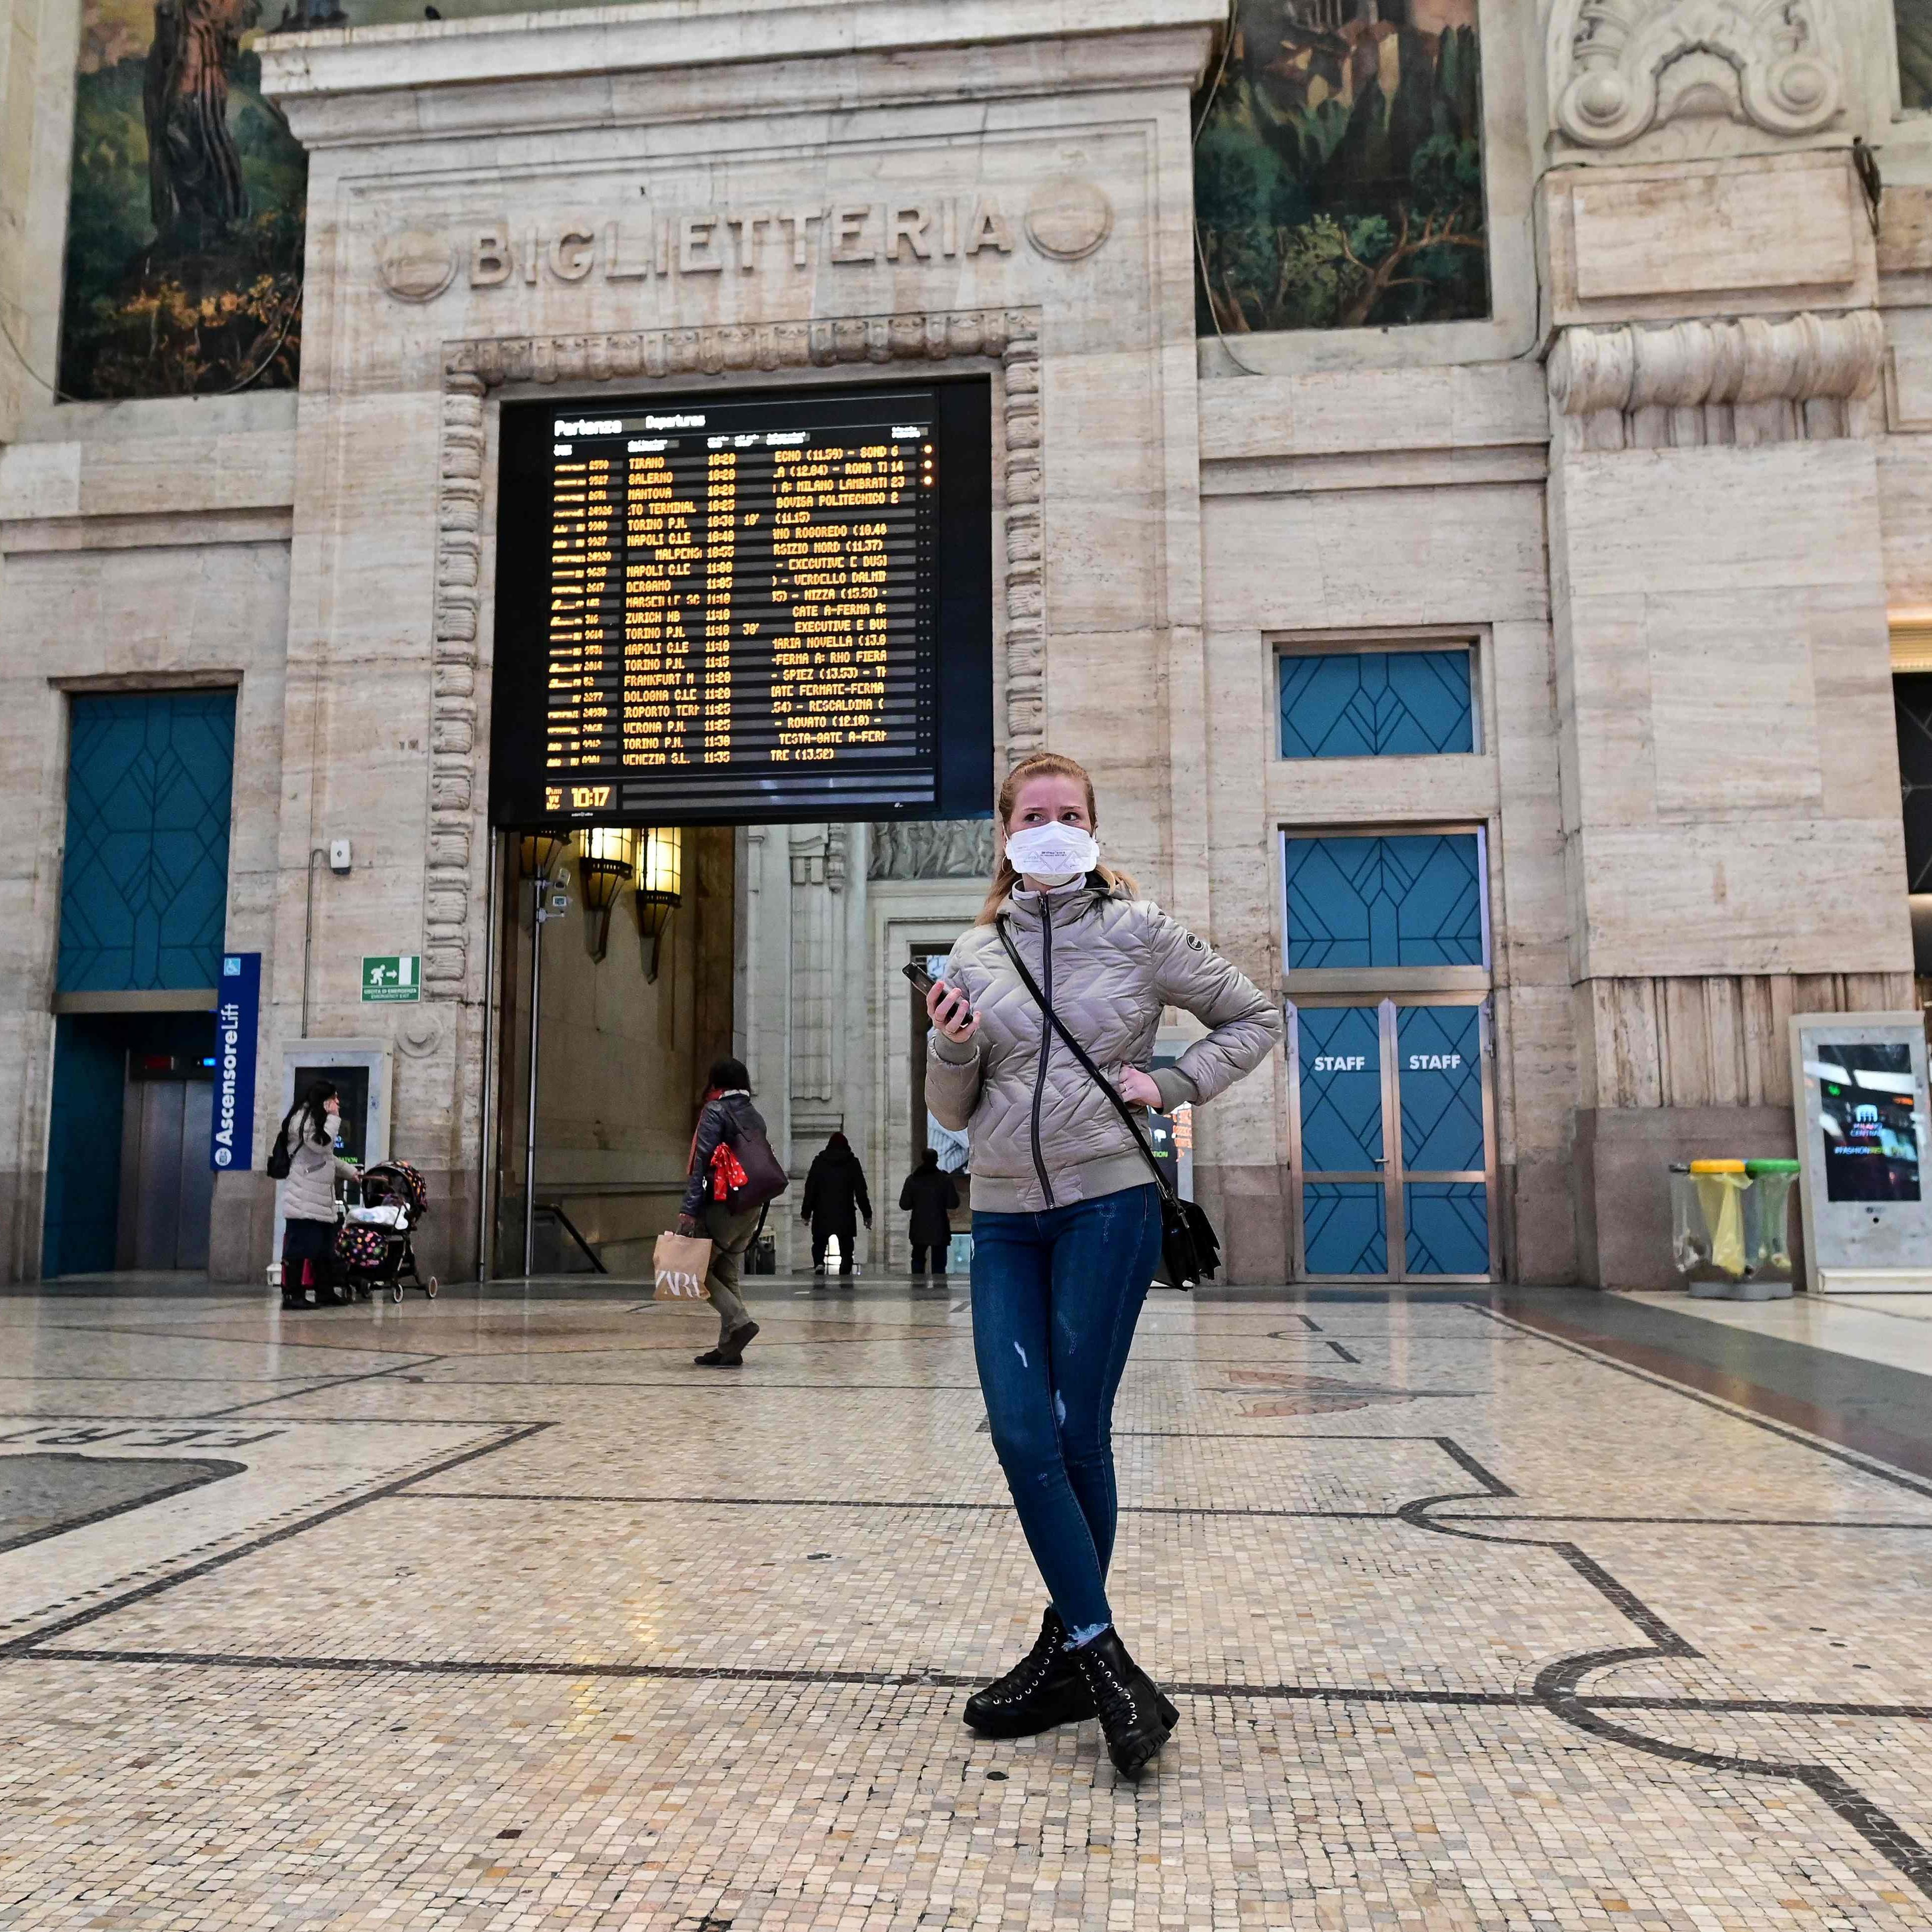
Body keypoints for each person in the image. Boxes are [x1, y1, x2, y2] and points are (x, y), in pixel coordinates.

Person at [925, 750, 1280, 1779]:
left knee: (1075, 1426)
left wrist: (1168, 1081)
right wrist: (951, 1046)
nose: (1051, 827)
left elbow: (1252, 1016)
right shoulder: (974, 950)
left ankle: (1070, 1653)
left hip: (1106, 1203)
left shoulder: (1139, 930)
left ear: (1092, 827)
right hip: (1002, 1214)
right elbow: (949, 1108)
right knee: (1019, 1429)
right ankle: (1097, 1654)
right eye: (1032, 814)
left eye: (1068, 813)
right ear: (1005, 833)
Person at [677, 1057, 767, 1366]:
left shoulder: (715, 1111)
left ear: (715, 1082)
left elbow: (703, 1163)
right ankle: (729, 1348)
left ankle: (740, 1322)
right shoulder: (753, 1114)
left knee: (693, 1270)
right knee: (726, 1274)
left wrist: (689, 1210)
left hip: (722, 1207)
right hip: (750, 1205)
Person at [276, 1080, 358, 1311]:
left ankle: (325, 1292)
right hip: (303, 1197)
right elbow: (321, 1146)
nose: (338, 1103)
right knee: (301, 1247)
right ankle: (293, 1295)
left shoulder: (314, 1120)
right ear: (324, 1101)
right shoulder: (302, 1121)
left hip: (320, 1197)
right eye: (334, 1098)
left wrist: (351, 1172)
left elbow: (326, 1158)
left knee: (324, 1248)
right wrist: (334, 1118)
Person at [800, 1132, 872, 1277]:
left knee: (819, 1242)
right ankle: (845, 1272)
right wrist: (867, 1215)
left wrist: (806, 1213)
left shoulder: (819, 1162)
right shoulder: (853, 1163)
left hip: (822, 1211)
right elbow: (861, 1191)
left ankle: (819, 1263)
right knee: (847, 1248)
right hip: (845, 1212)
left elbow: (810, 1189)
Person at [899, 1148, 961, 1276]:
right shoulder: (945, 1180)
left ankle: (917, 1286)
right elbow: (954, 1203)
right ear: (936, 1161)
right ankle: (939, 1288)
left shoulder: (913, 1179)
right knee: (939, 1264)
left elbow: (904, 1205)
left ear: (922, 1159)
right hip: (940, 1227)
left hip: (919, 1227)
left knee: (918, 1260)